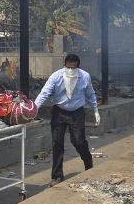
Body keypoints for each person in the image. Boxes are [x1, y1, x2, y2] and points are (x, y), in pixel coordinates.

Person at [34, 53, 100, 187]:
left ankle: (88, 163)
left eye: (73, 68)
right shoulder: (56, 76)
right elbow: (44, 93)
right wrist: (33, 108)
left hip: (77, 112)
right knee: (57, 143)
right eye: (68, 68)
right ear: (64, 66)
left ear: (78, 67)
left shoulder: (84, 76)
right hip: (59, 111)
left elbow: (90, 94)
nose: (70, 71)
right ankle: (57, 176)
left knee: (78, 141)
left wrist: (96, 110)